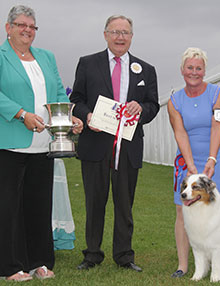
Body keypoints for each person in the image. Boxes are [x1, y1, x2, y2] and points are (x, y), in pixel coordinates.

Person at [70, 15, 159, 272]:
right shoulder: (87, 64)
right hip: (96, 144)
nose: (120, 37)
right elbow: (77, 97)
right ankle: (92, 255)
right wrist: (86, 116)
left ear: (132, 36)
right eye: (115, 32)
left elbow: (153, 105)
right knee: (94, 202)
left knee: (124, 204)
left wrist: (140, 108)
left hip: (128, 147)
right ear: (105, 34)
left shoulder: (146, 69)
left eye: (125, 32)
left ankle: (124, 256)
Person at [0, 5, 83, 282]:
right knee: (9, 208)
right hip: (9, 144)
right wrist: (21, 114)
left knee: (39, 206)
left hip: (42, 145)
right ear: (8, 28)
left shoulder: (47, 57)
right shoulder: (1, 56)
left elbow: (59, 92)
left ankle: (40, 262)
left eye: (33, 26)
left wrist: (69, 119)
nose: (28, 30)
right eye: (22, 25)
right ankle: (11, 266)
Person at [167, 47, 220, 278]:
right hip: (186, 164)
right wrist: (191, 165)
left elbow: (217, 127)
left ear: (204, 70)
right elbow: (180, 133)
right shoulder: (174, 101)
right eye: (190, 67)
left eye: (199, 68)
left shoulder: (218, 93)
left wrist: (211, 159)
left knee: (218, 213)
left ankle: (216, 263)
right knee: (183, 213)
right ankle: (183, 265)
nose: (194, 72)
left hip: (216, 160)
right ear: (182, 70)